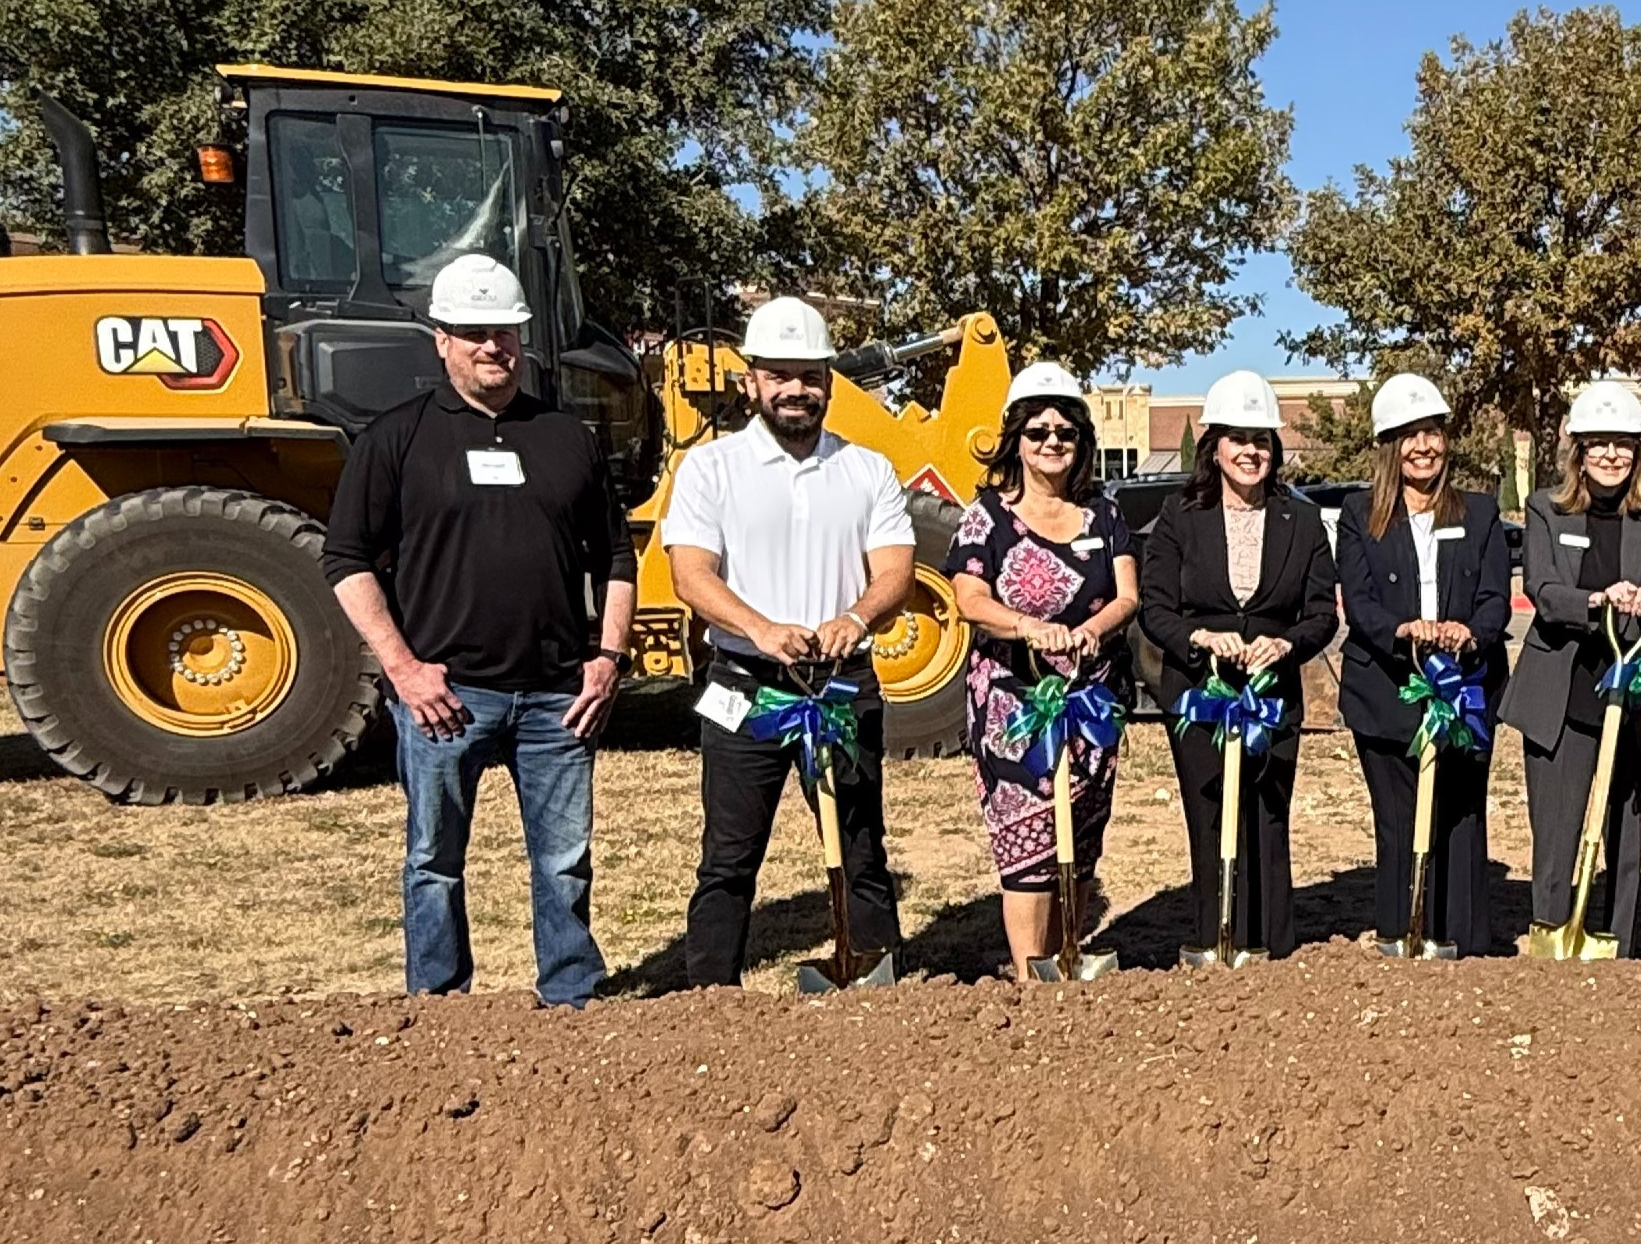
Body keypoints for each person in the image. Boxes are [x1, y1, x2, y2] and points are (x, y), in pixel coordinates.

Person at [322, 253, 636, 1009]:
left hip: (558, 697)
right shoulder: (397, 439)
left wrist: (608, 658)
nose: (491, 346)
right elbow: (346, 559)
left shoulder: (567, 436)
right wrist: (403, 670)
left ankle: (571, 996)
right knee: (434, 859)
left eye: (503, 331)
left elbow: (618, 555)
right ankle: (439, 1003)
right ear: (441, 340)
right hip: (445, 697)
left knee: (564, 862)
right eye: (472, 333)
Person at [662, 296, 917, 988]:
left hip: (841, 681)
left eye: (810, 375)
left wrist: (856, 618)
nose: (796, 390)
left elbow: (894, 570)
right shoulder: (710, 470)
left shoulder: (866, 470)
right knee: (729, 854)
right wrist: (762, 628)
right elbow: (690, 574)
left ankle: (876, 980)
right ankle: (712, 992)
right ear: (752, 381)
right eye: (780, 375)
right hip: (745, 684)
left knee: (861, 846)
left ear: (831, 382)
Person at [1139, 371, 1340, 961]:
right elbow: (1156, 607)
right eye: (1238, 438)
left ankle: (1270, 944)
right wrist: (1199, 639)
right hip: (1201, 690)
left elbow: (1321, 611)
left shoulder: (1299, 519)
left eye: (1261, 440)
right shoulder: (1179, 515)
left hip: (1271, 691)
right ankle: (1216, 938)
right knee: (1210, 813)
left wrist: (1286, 647)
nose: (1251, 452)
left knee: (1268, 813)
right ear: (1215, 446)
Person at [949, 360, 1139, 978]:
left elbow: (1127, 595)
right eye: (1038, 430)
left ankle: (1071, 952)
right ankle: (1032, 972)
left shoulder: (1104, 516)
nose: (1052, 441)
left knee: (1082, 831)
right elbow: (969, 600)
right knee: (1026, 836)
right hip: (1012, 704)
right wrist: (1028, 625)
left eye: (1065, 431)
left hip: (1091, 699)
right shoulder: (987, 517)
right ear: (1016, 441)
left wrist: (1090, 630)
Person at [1498, 382, 1641, 950]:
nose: (1611, 456)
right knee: (1555, 836)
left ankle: (1615, 940)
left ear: (1637, 452)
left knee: (1626, 832)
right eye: (1598, 444)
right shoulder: (1547, 510)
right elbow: (1544, 592)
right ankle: (1553, 933)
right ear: (1578, 450)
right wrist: (1596, 601)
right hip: (1563, 693)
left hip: (1631, 693)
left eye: (1622, 444)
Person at [1335, 374, 1512, 954]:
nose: (1424, 446)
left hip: (1464, 686)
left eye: (1433, 432)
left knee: (1460, 817)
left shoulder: (1481, 513)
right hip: (1387, 689)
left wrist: (1472, 634)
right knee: (1398, 816)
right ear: (1389, 445)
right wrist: (1400, 631)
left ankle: (1461, 938)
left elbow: (1492, 598)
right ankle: (1402, 932)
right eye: (1409, 435)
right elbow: (1359, 602)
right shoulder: (1360, 516)